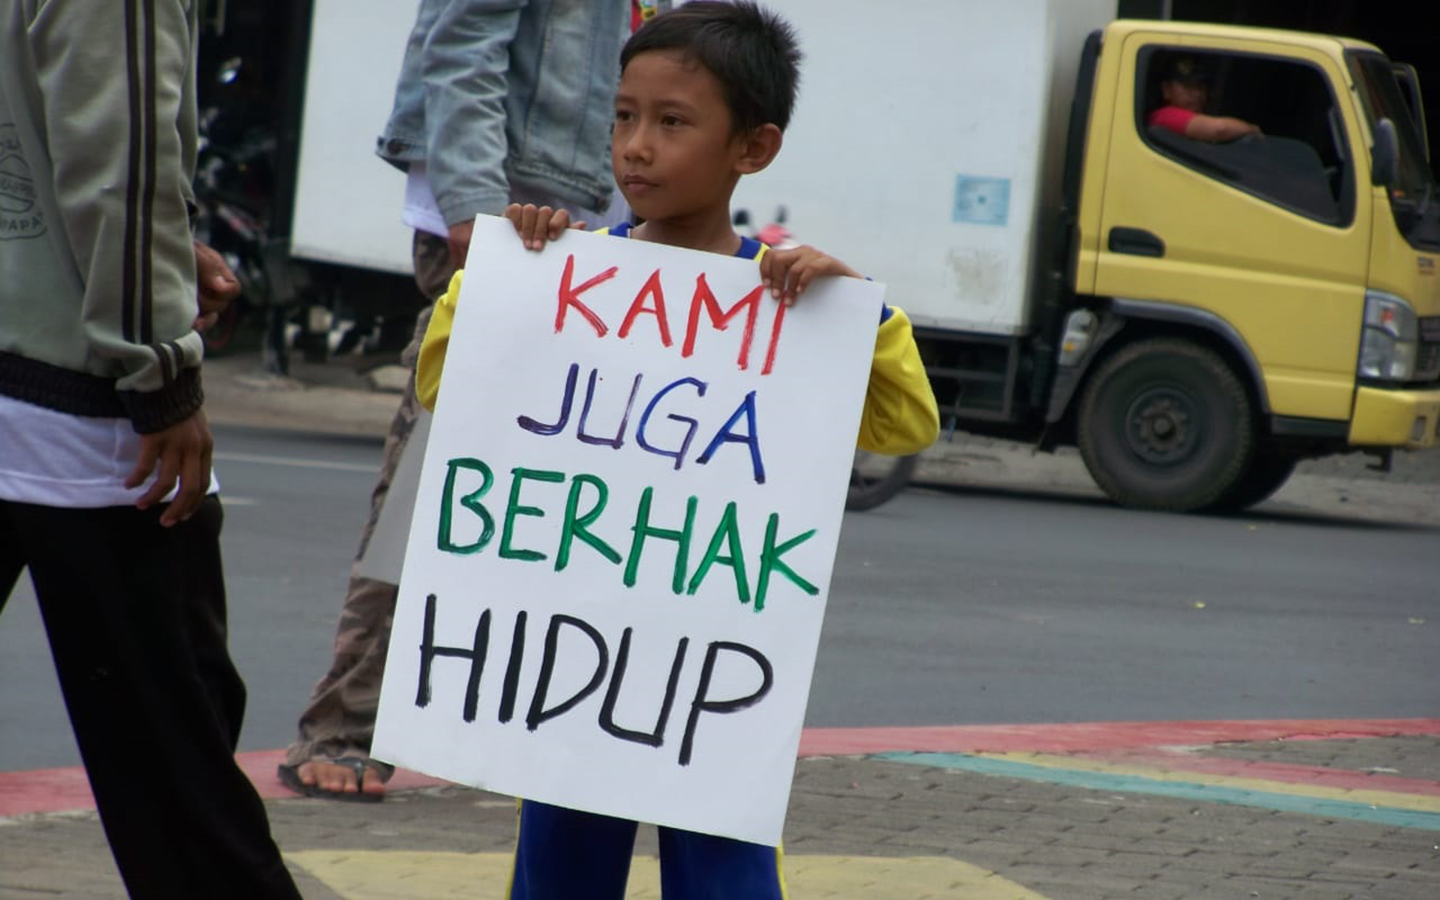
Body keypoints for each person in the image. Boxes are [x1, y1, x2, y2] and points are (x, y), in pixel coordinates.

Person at [413, 3, 940, 896]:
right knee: (559, 872)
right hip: (573, 677)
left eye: (671, 122)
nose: (636, 147)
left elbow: (904, 425)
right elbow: (446, 388)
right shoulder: (576, 274)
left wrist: (858, 312)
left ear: (754, 148)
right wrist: (502, 279)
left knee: (726, 876)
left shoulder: (782, 298)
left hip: (709, 686)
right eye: (623, 116)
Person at [277, 0, 646, 802]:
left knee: (573, 501)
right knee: (441, 482)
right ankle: (347, 724)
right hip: (516, 222)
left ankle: (553, 723)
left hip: (611, 242)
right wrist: (476, 210)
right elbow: (463, 45)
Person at [0, 2, 303, 898]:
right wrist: (161, 369)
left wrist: (169, 253)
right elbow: (117, 170)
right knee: (180, 768)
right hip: (78, 409)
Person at [1149, 55, 1261, 143]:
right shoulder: (1164, 116)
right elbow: (1220, 129)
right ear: (1166, 90)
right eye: (1188, 86)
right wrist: (1252, 129)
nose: (1198, 94)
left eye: (1201, 87)